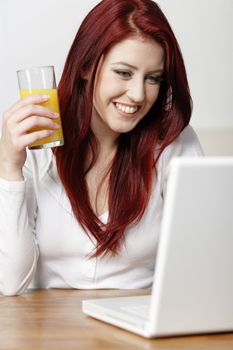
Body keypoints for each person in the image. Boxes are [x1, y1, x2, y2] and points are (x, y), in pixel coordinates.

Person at [0, 0, 203, 296]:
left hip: (139, 332)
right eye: (123, 72)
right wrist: (9, 167)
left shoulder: (174, 142)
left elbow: (196, 263)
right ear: (86, 66)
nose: (137, 95)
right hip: (51, 333)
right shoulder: (39, 140)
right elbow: (10, 282)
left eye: (153, 78)